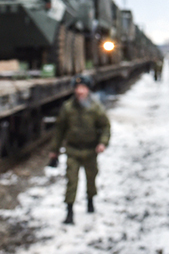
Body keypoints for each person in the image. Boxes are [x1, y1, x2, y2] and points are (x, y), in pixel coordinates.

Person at [50, 75, 110, 225]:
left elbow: (105, 127)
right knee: (71, 181)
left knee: (91, 179)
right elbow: (59, 130)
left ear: (88, 89)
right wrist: (54, 150)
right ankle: (69, 212)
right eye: (77, 88)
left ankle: (90, 200)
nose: (80, 91)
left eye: (83, 88)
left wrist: (102, 143)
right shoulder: (68, 108)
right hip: (73, 150)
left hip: (90, 151)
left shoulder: (95, 107)